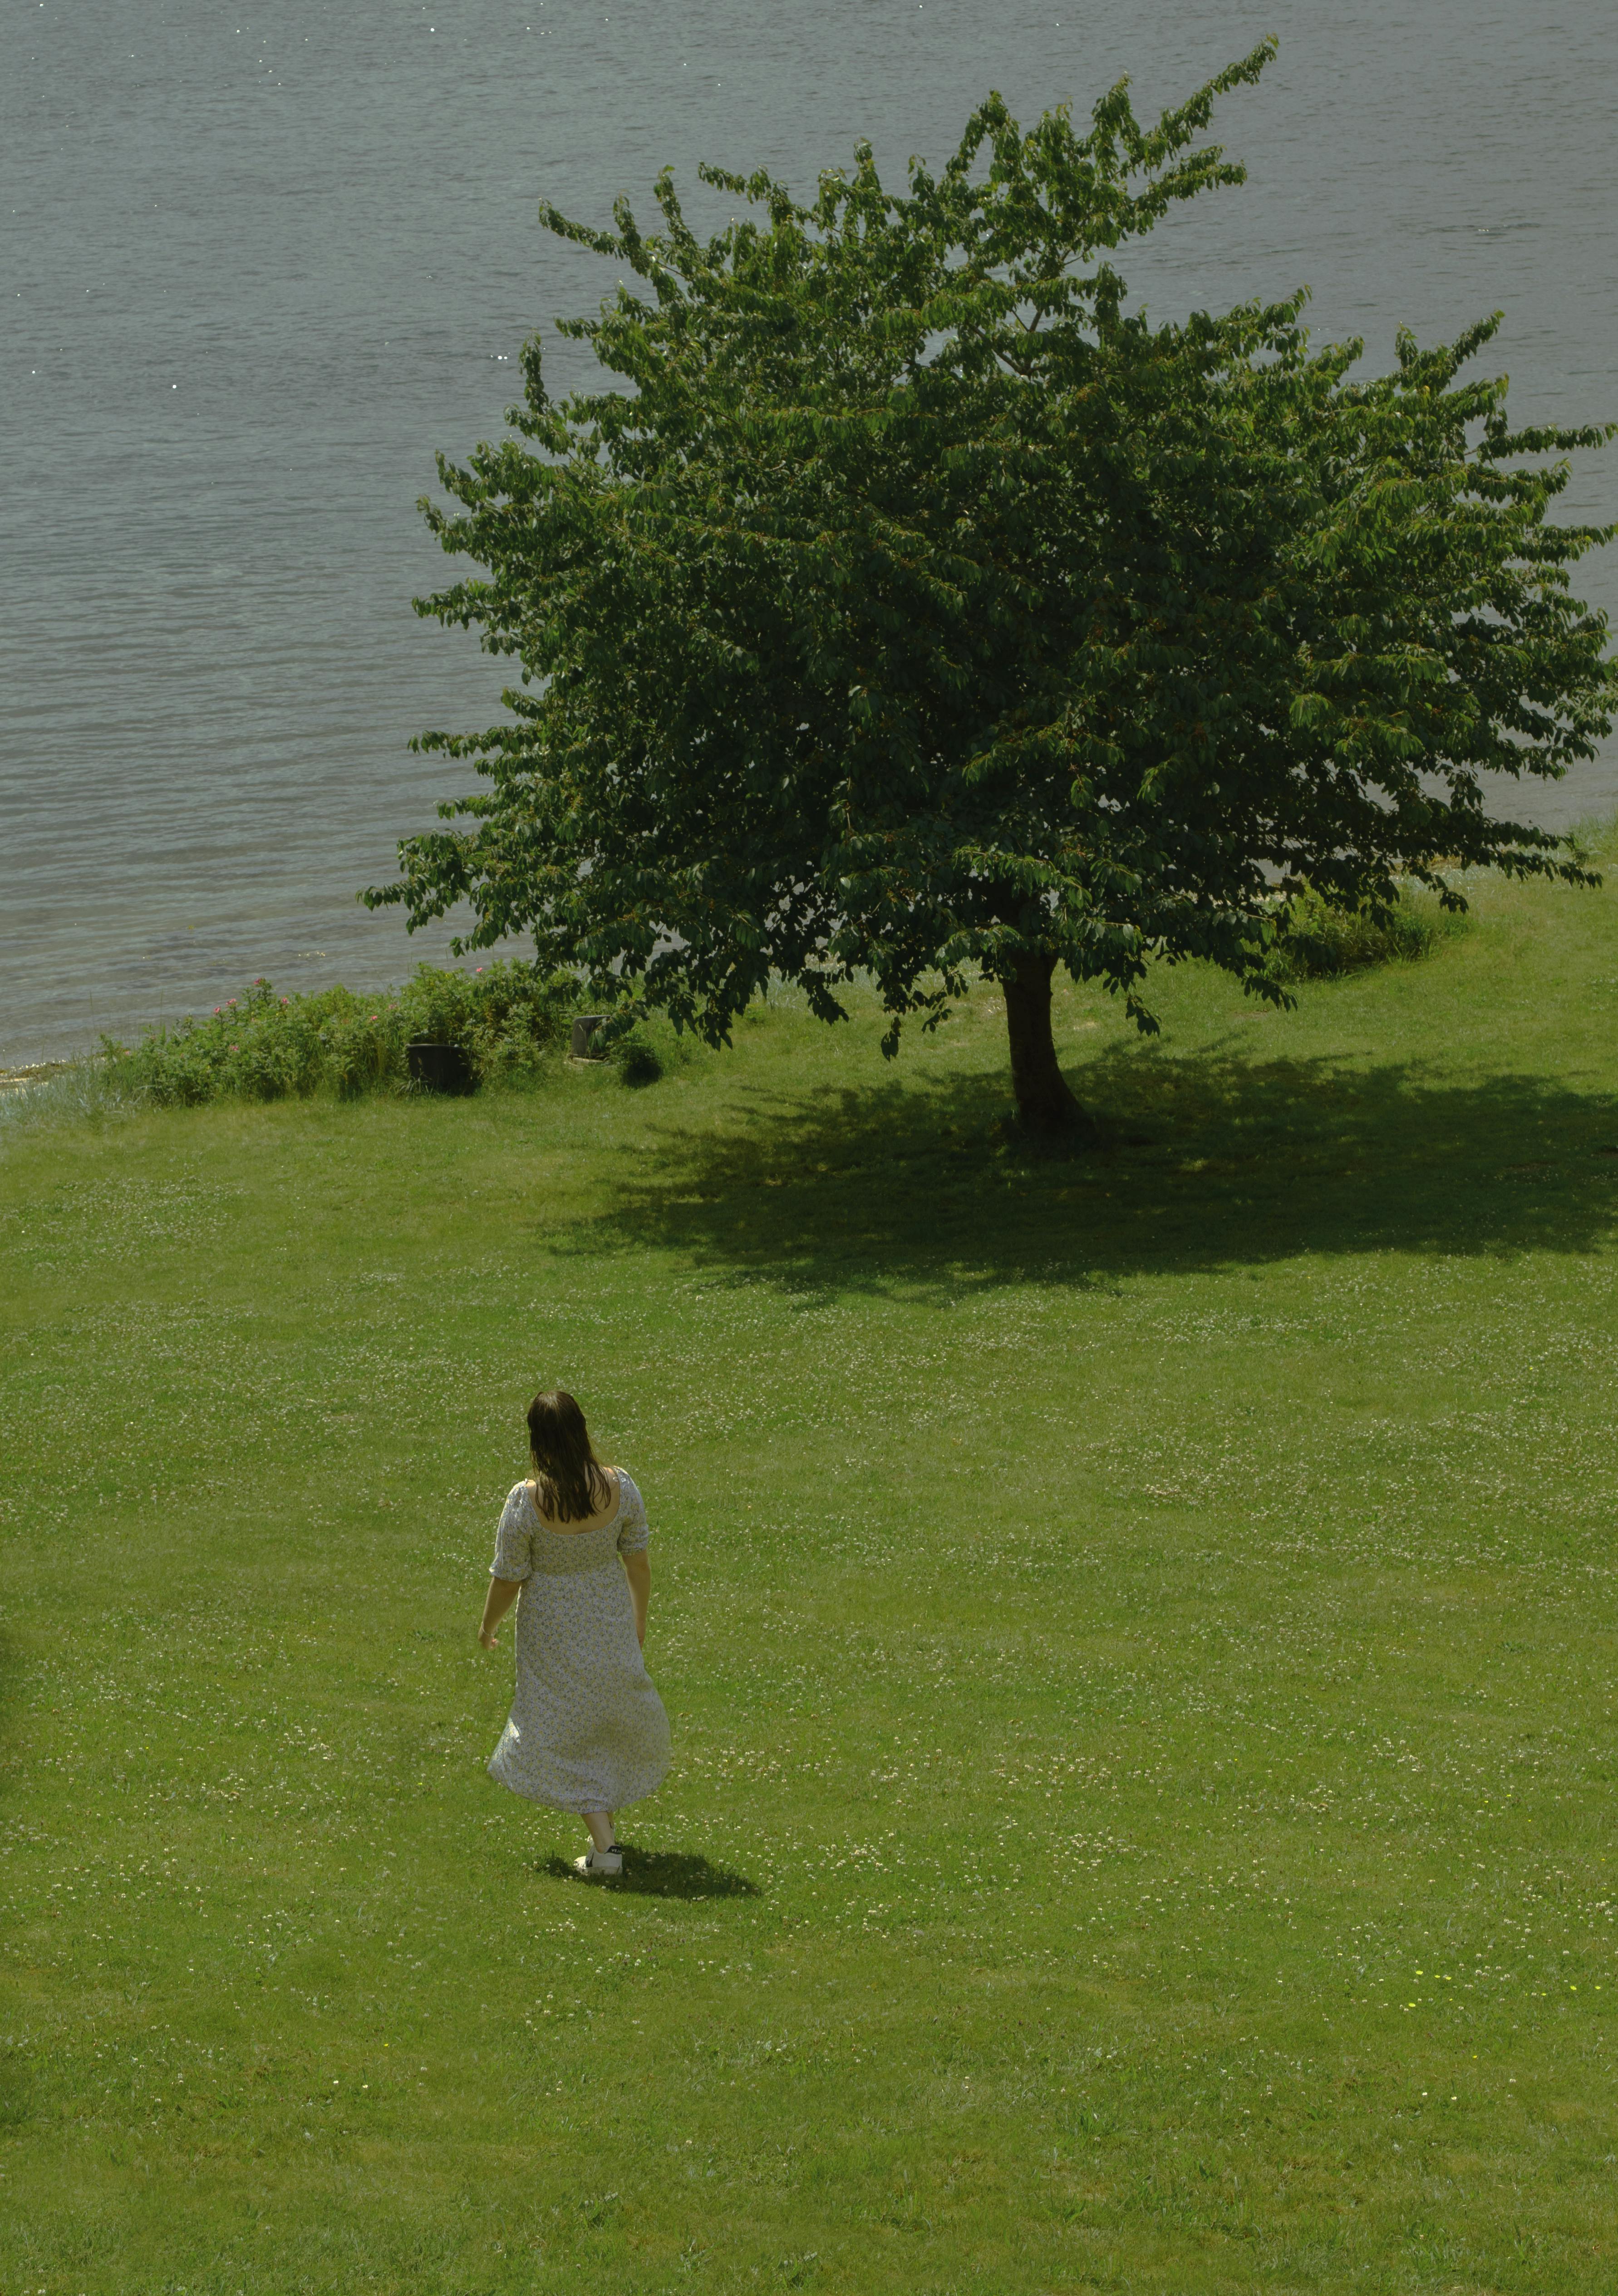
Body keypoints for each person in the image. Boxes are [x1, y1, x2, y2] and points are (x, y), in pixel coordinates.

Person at [477, 1389, 670, 1876]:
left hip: (552, 1626)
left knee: (557, 1725)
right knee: (595, 1719)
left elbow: (508, 1577)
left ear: (537, 1440)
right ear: (582, 1430)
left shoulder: (527, 1500)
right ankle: (604, 1845)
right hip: (607, 1616)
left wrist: (488, 1626)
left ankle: (605, 1849)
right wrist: (638, 1619)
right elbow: (639, 1562)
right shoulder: (620, 1487)